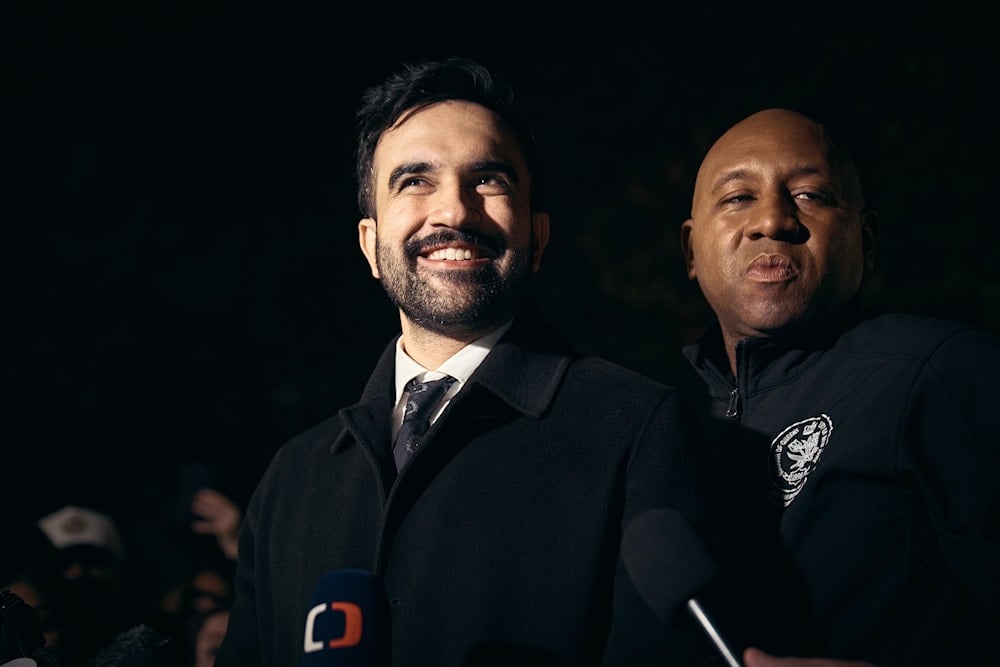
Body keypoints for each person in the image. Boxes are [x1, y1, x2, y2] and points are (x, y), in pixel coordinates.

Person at [216, 57, 716, 666]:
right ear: (370, 245)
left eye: (488, 179)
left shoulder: (638, 431)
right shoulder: (290, 481)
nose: (453, 211)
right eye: (414, 181)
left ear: (538, 237)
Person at [678, 107, 1000, 666]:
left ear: (866, 240)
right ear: (690, 251)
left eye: (810, 195)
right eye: (737, 197)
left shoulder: (942, 372)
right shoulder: (667, 425)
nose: (772, 220)